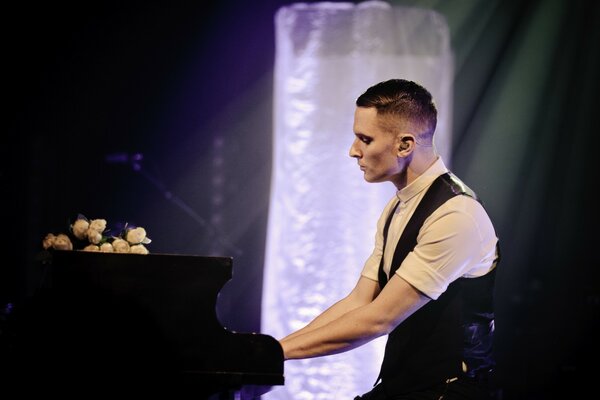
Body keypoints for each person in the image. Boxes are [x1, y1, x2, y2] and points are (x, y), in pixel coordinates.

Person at [279, 79, 499, 400]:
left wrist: (272, 353)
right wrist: (272, 348)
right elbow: (359, 302)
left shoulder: (456, 215)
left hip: (451, 392)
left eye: (365, 139)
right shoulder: (397, 207)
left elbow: (378, 319)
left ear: (404, 145)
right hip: (406, 388)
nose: (353, 150)